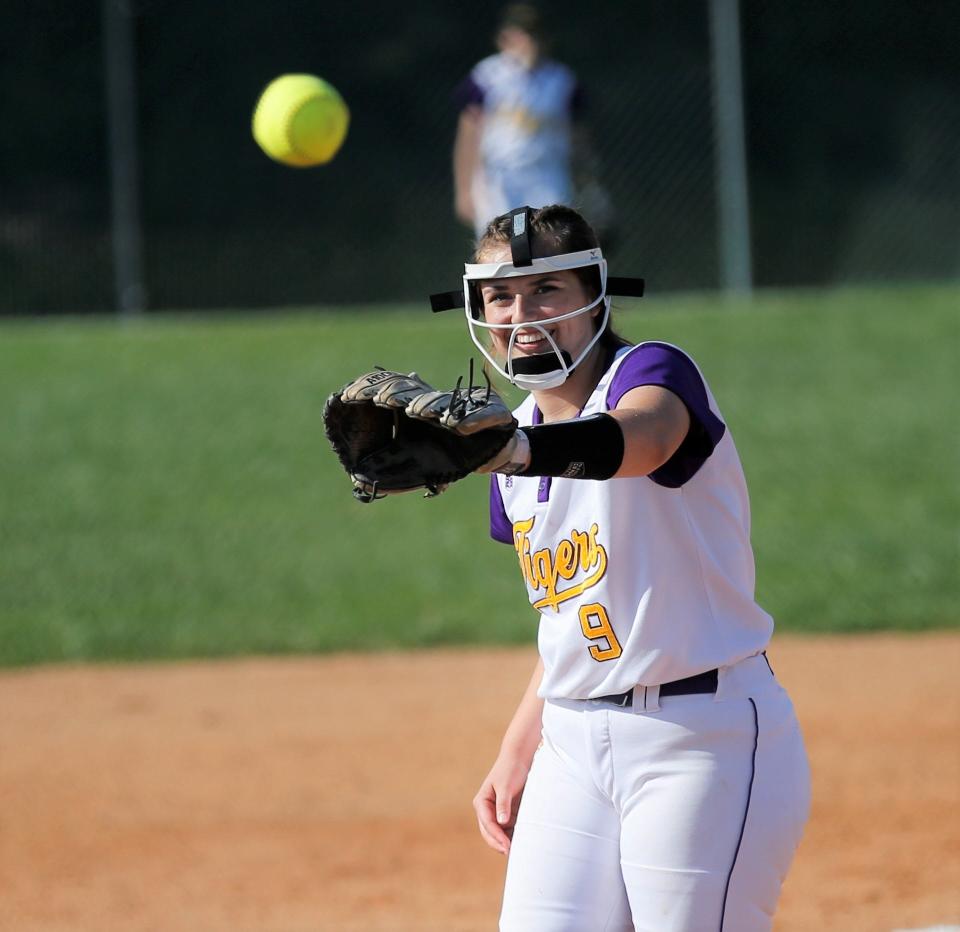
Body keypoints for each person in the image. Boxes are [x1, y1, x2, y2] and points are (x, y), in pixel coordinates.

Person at [433, 204, 811, 931]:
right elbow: (573, 616)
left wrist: (512, 450)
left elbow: (642, 440)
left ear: (595, 299)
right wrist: (519, 747)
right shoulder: (513, 446)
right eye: (501, 297)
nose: (523, 314)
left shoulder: (651, 374)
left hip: (702, 740)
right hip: (572, 751)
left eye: (548, 290)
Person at [452, 5, 611, 240]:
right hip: (497, 178)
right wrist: (464, 189)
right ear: (503, 38)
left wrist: (588, 181)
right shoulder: (487, 77)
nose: (528, 41)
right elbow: (468, 135)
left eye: (534, 34)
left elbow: (578, 136)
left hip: (547, 176)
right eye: (521, 33)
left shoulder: (562, 81)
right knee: (501, 247)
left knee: (550, 245)